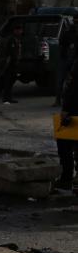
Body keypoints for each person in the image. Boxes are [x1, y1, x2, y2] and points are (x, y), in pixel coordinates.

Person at [55, 58, 78, 190]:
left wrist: (66, 109)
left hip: (74, 111)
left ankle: (66, 179)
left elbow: (73, 87)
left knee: (64, 144)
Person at [0, 24, 23, 104]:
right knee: (8, 81)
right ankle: (6, 98)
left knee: (11, 81)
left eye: (20, 30)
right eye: (18, 30)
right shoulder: (11, 39)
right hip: (10, 63)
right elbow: (10, 52)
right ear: (15, 31)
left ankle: (9, 97)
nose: (19, 31)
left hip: (14, 62)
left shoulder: (17, 39)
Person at [55, 22, 77, 107]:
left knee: (63, 81)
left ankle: (59, 100)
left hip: (69, 60)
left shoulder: (68, 33)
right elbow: (61, 46)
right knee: (61, 81)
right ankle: (58, 100)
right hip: (66, 59)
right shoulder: (67, 34)